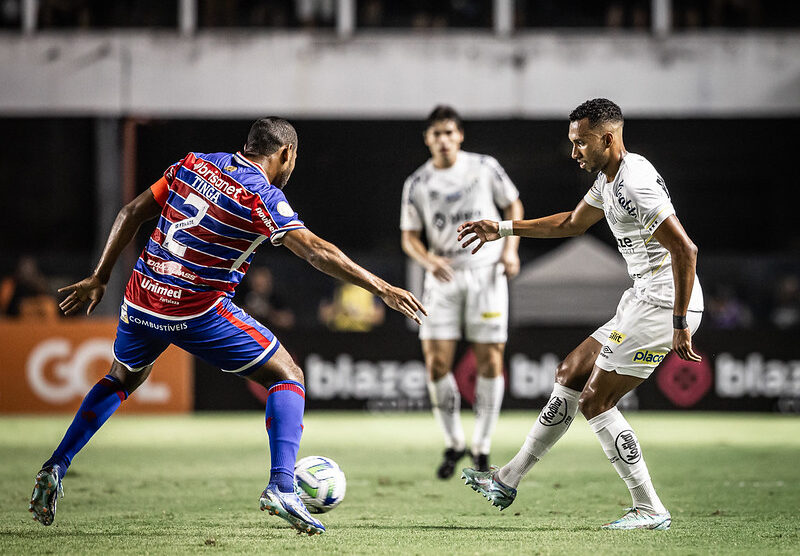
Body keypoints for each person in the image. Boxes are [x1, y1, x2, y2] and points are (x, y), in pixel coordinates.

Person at [29, 117, 426, 535]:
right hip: (195, 310)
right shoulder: (262, 195)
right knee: (288, 376)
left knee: (120, 378)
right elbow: (314, 251)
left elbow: (131, 211)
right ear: (285, 154)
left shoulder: (193, 163)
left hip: (141, 296)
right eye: (293, 161)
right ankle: (282, 487)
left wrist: (100, 276)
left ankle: (56, 465)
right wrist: (381, 287)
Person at [458, 98, 703, 530]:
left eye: (581, 143)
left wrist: (680, 323)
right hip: (643, 296)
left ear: (607, 139)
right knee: (571, 372)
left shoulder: (633, 183)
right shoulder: (610, 180)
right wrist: (503, 229)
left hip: (666, 303)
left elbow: (686, 249)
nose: (575, 152)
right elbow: (572, 222)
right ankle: (507, 478)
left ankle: (649, 507)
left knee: (595, 400)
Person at [400, 105, 524, 479]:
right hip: (443, 276)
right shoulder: (417, 183)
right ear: (427, 139)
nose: (443, 140)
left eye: (449, 133)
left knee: (490, 360)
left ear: (460, 136)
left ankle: (482, 446)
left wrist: (511, 247)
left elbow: (513, 202)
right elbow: (409, 237)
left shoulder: (484, 167)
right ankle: (454, 441)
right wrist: (427, 261)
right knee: (436, 362)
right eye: (436, 134)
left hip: (485, 272)